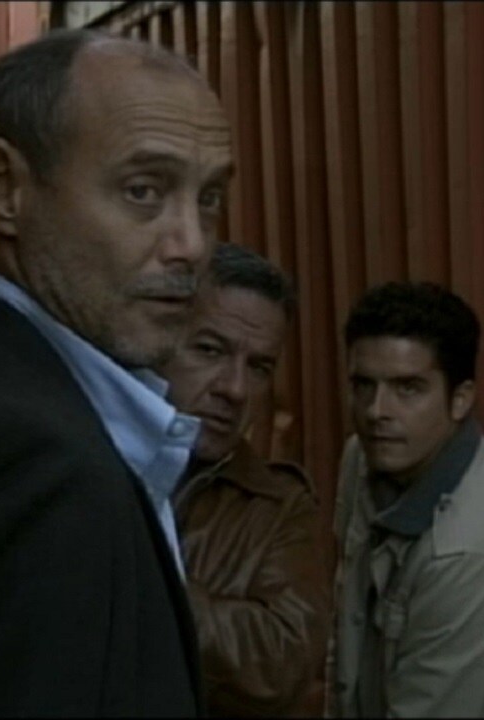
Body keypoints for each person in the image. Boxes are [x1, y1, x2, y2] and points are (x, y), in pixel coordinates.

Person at [0, 29, 234, 716]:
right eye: (143, 190)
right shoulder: (30, 459)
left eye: (210, 198)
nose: (192, 245)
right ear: (3, 187)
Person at [328, 281, 484, 717]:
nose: (377, 410)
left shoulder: (469, 550)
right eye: (364, 385)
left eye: (408, 388)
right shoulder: (361, 458)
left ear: (460, 400)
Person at [157, 243, 330, 717]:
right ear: (157, 341)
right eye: (210, 350)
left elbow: (283, 663)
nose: (235, 389)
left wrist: (154, 588)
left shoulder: (277, 505)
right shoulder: (93, 458)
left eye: (258, 367)